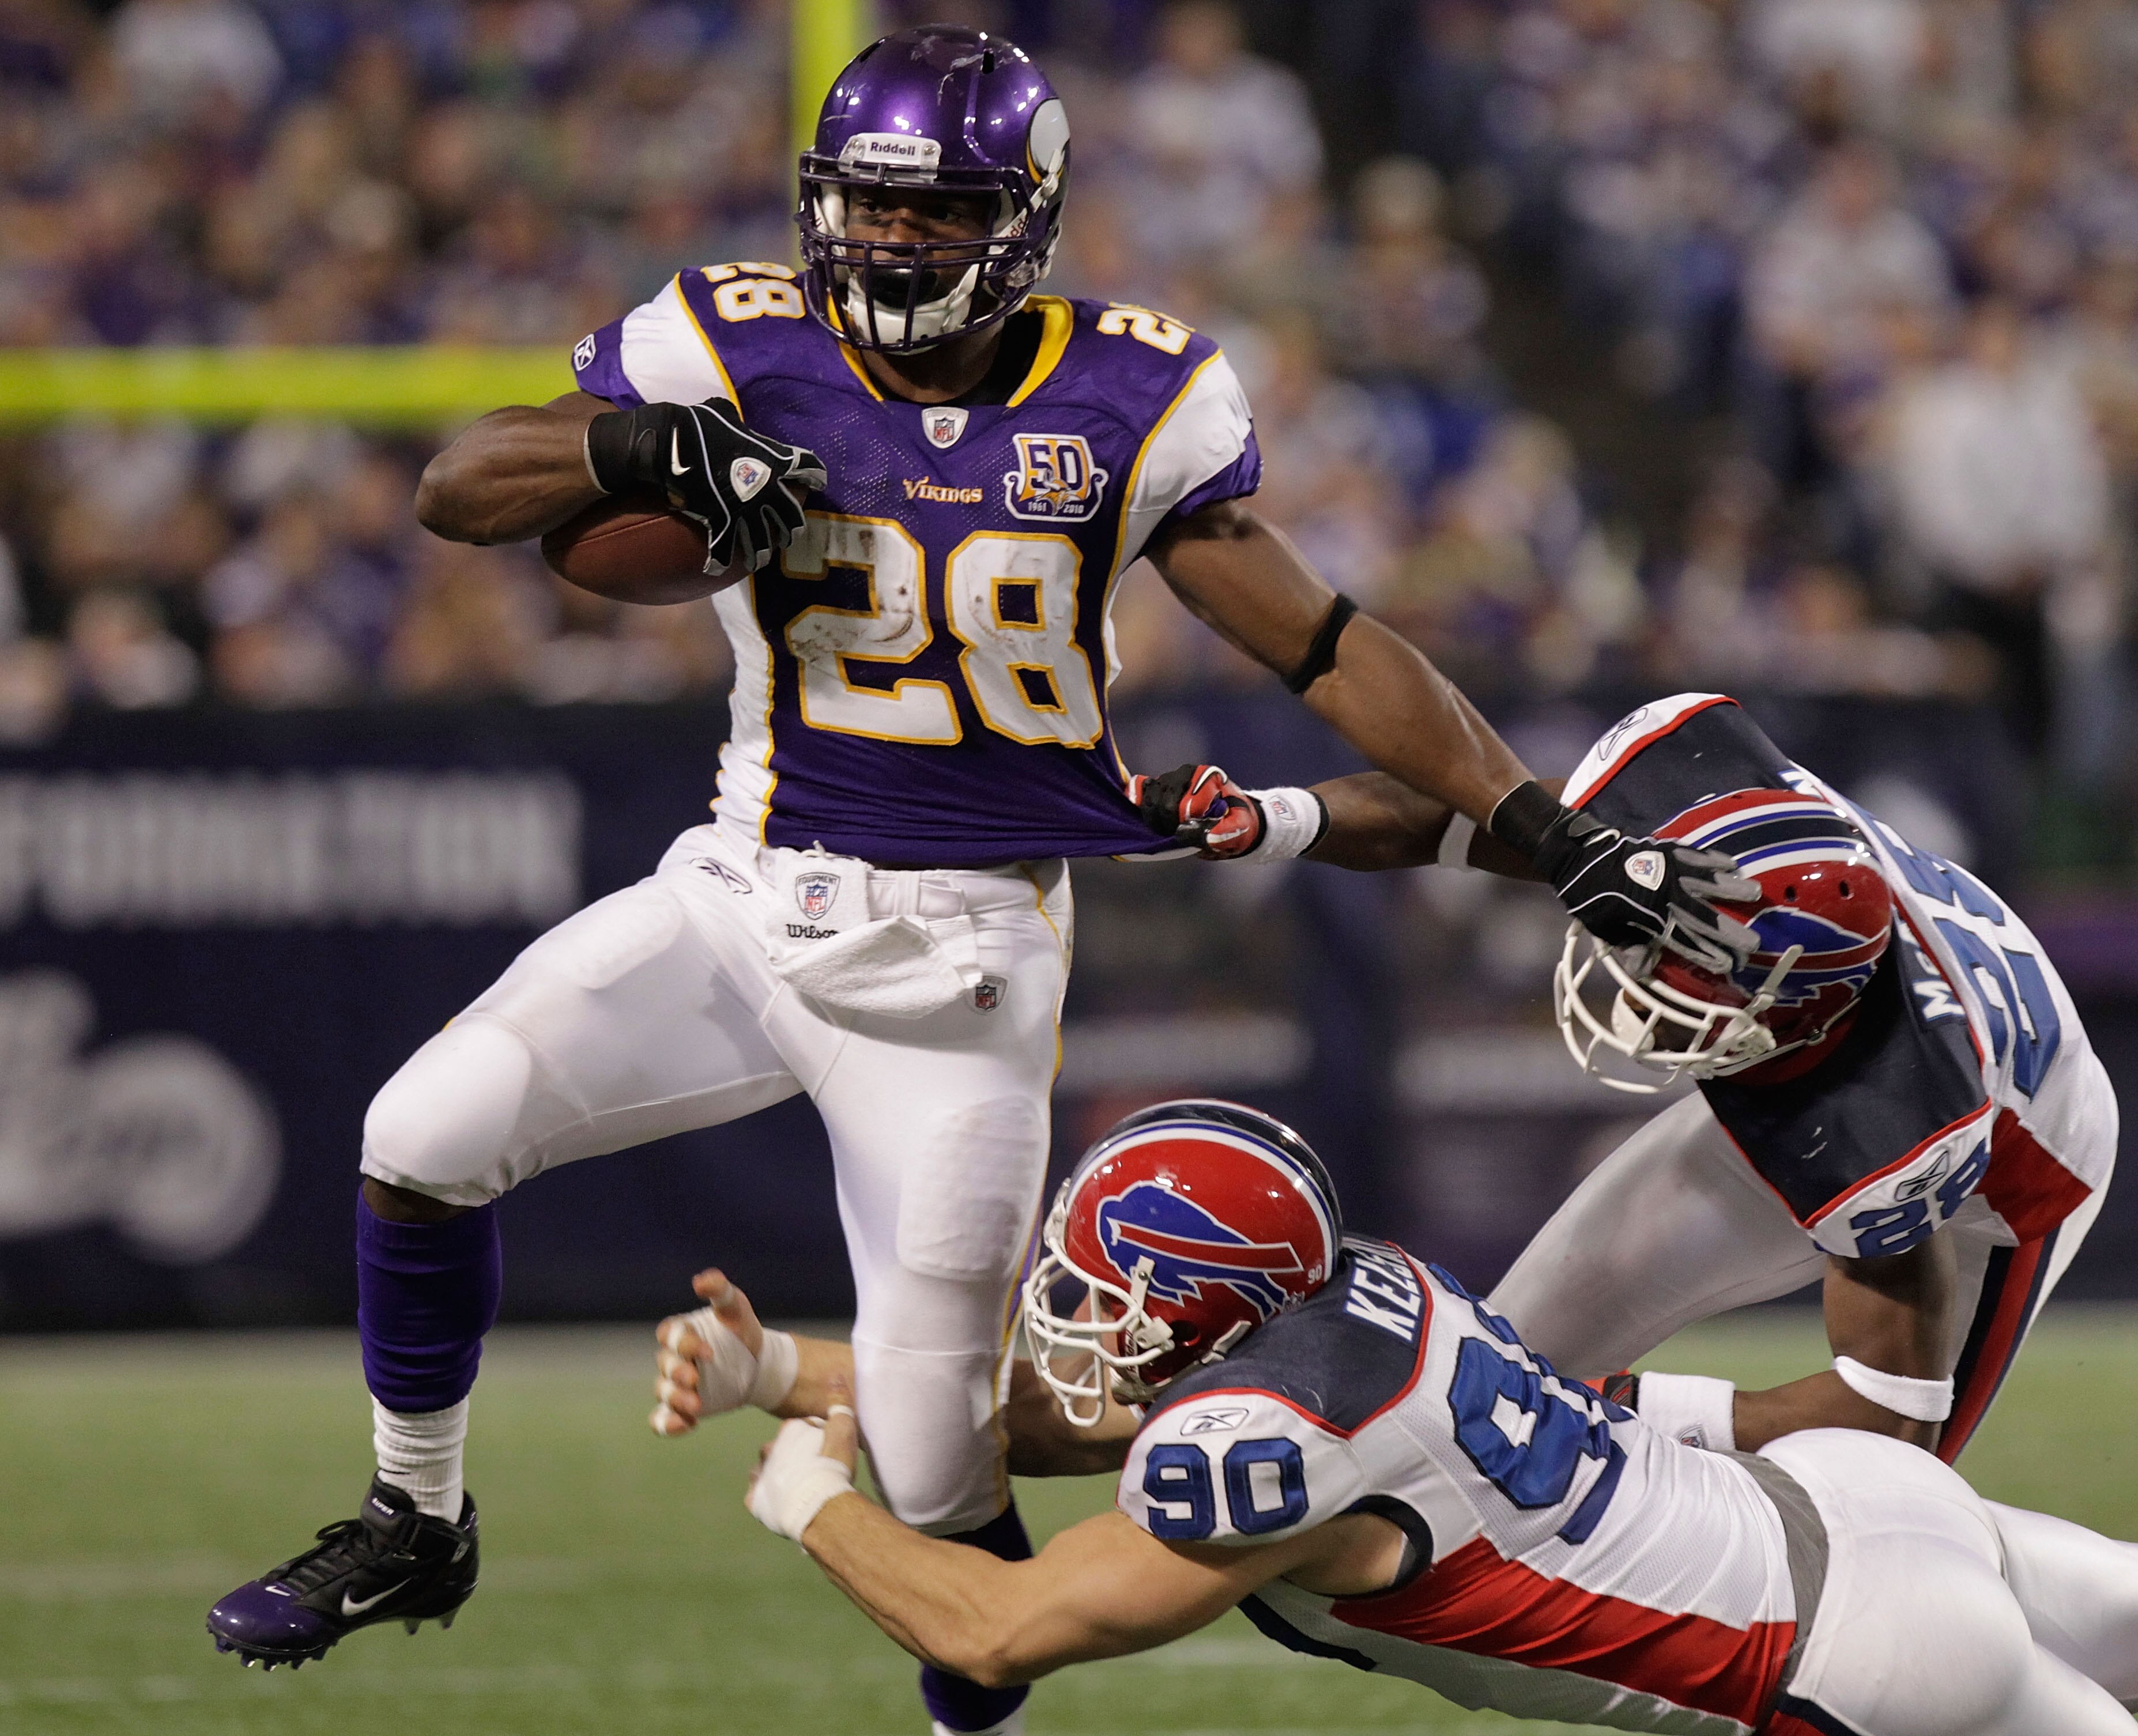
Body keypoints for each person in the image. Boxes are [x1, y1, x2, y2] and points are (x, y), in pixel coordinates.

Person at [201, 29, 1759, 1724]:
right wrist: (644, 456)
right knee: (420, 1131)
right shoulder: (734, 335)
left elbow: (1323, 645)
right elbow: (457, 486)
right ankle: (414, 1517)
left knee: (940, 1456)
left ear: (1023, 217)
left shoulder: (1130, 395)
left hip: (959, 964)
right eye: (865, 212)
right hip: (742, 880)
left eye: (933, 214)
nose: (888, 248)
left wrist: (1552, 832)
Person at [653, 1097, 2138, 1736]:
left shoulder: (1249, 1448)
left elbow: (999, 1622)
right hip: (1855, 1510)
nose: (1065, 1341)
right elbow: (1063, 1411)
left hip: (1849, 1656)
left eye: (1109, 1304)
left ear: (1207, 1324)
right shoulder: (1365, 1311)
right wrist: (795, 1362)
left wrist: (801, 1484)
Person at [1139, 691, 2116, 1463]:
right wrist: (1275, 816)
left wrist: (1640, 1415)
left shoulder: (1895, 1118)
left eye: (1693, 990)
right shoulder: (1695, 795)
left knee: (1893, 1507)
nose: (1643, 991)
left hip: (2010, 1177)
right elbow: (1472, 814)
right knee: (1490, 1374)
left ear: (1795, 1016)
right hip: (1854, 1044)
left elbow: (1886, 1413)